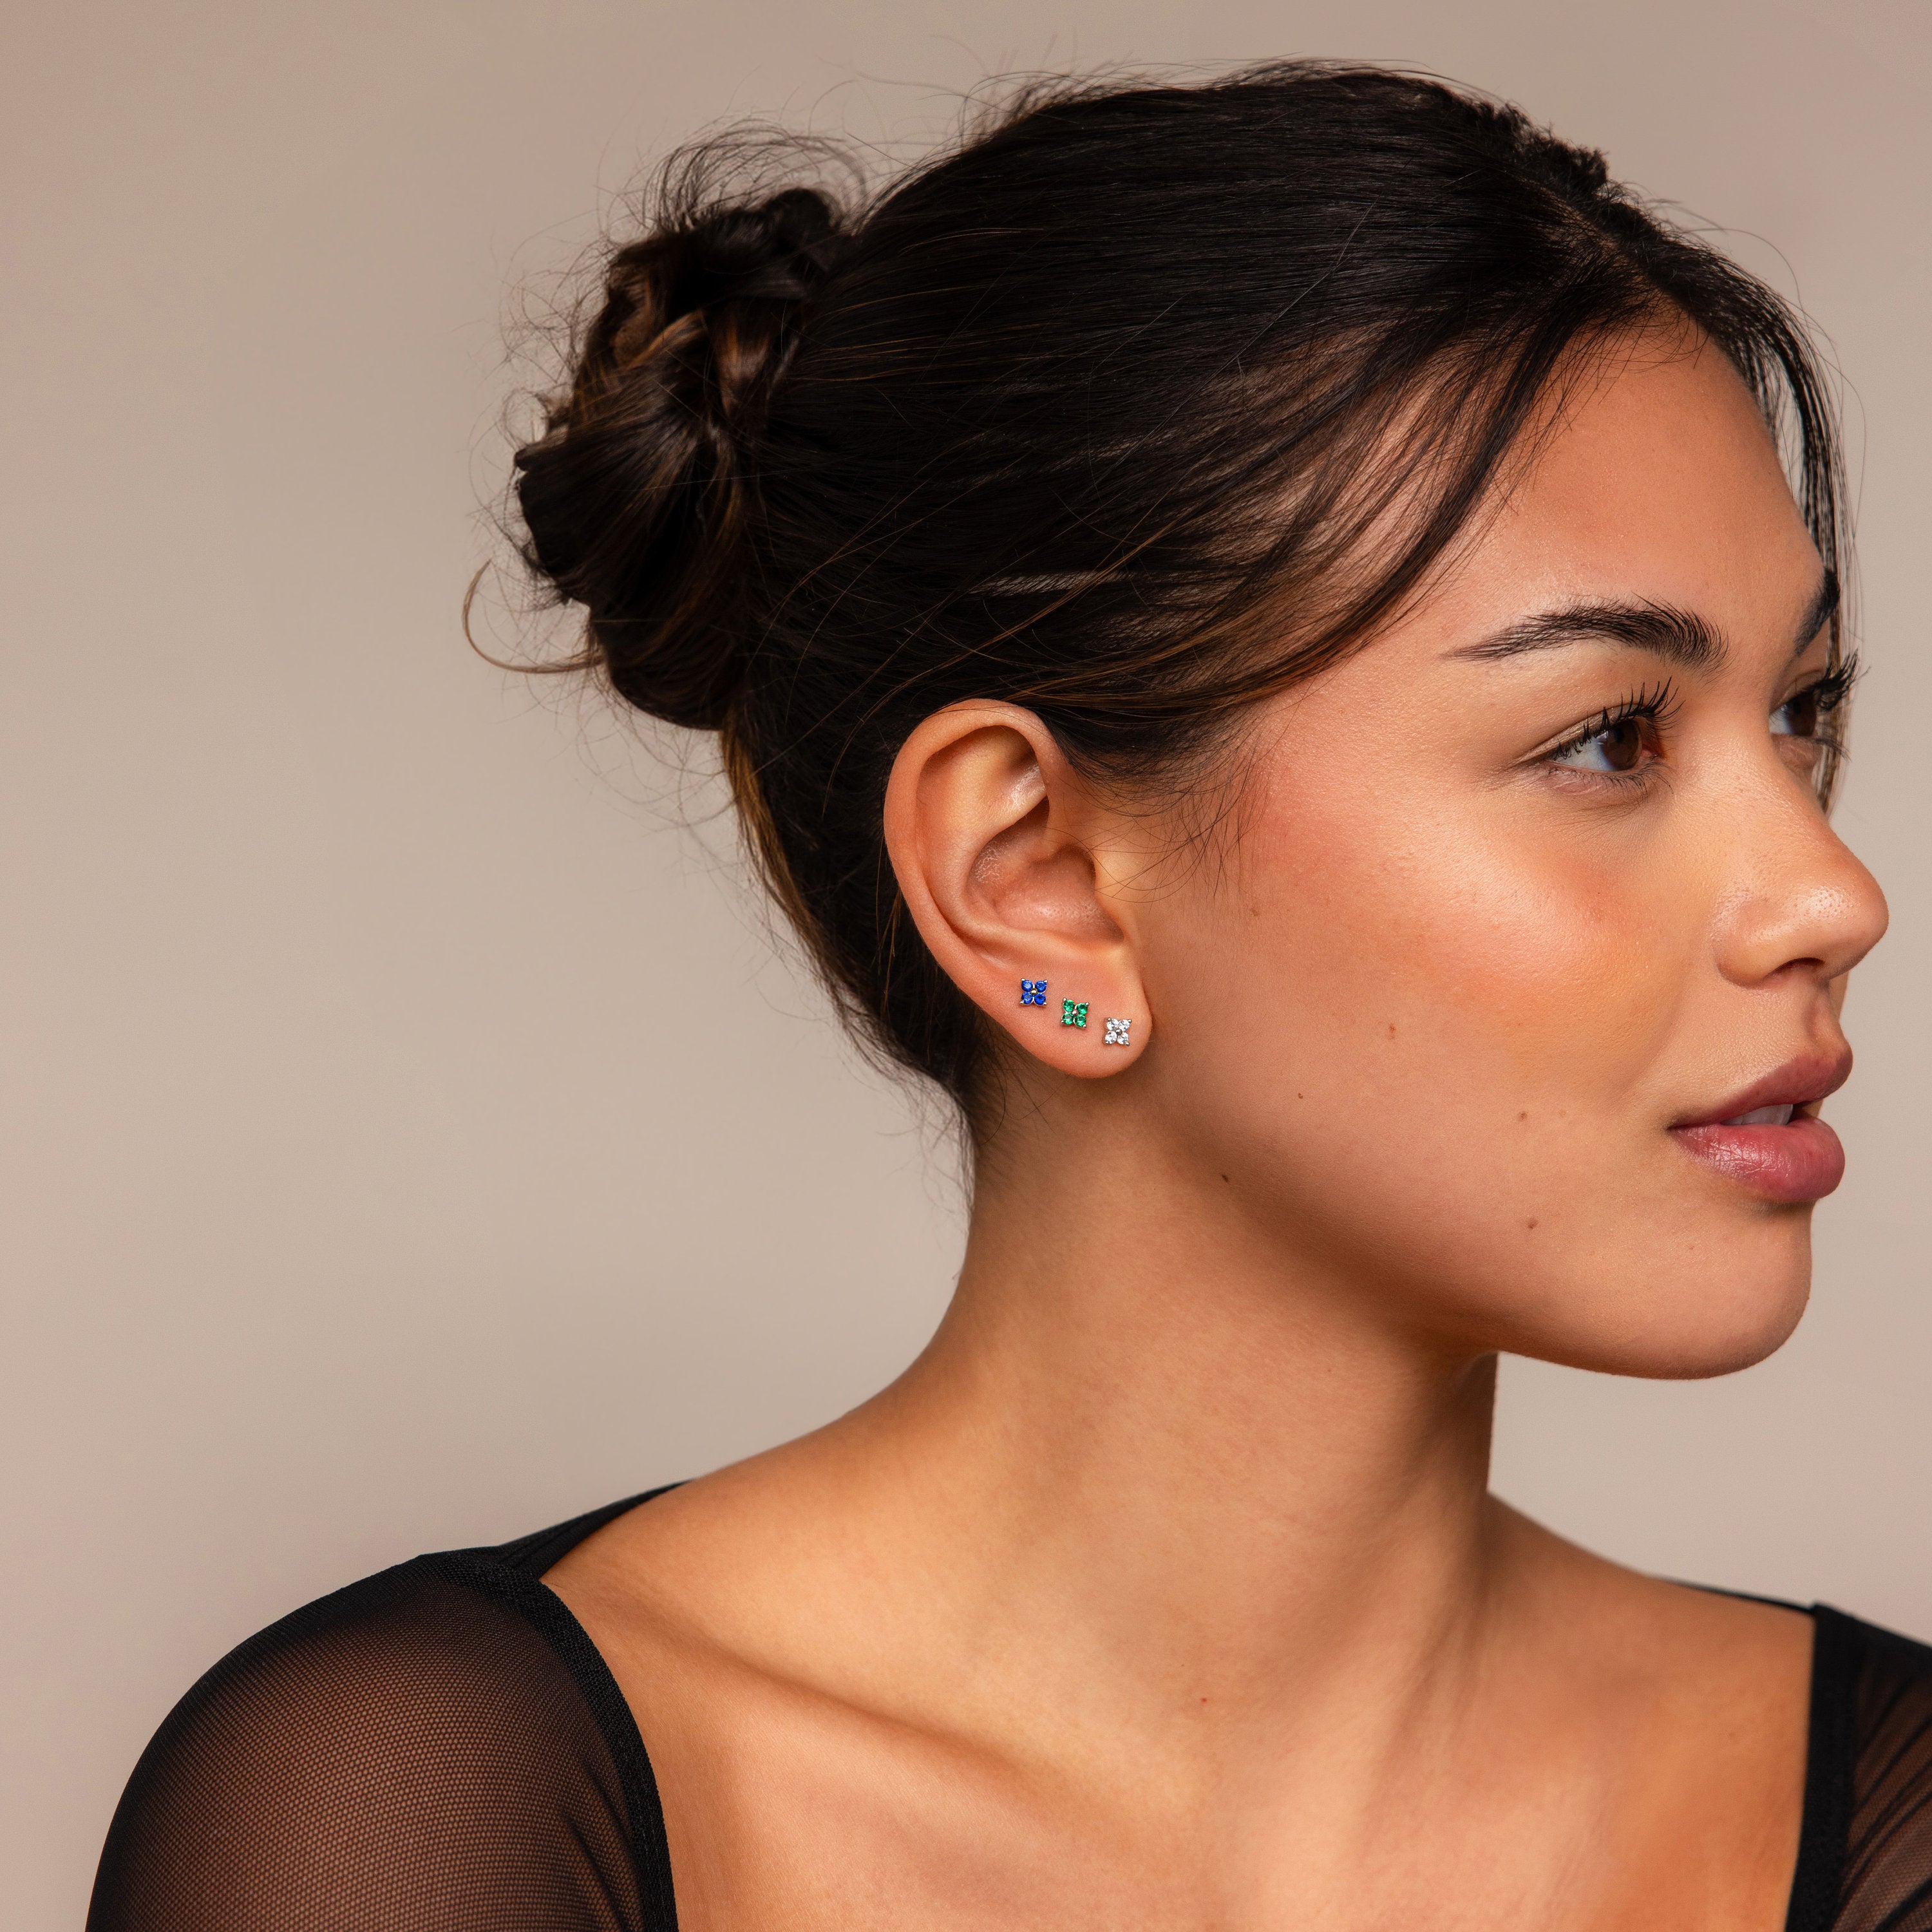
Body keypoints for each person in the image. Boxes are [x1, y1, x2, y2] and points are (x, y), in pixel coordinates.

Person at [88, 61, 1926, 1932]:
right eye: (1609, 737)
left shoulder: (1889, 1822)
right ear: (1035, 881)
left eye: (1805, 716)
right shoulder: (425, 1810)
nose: (1831, 894)